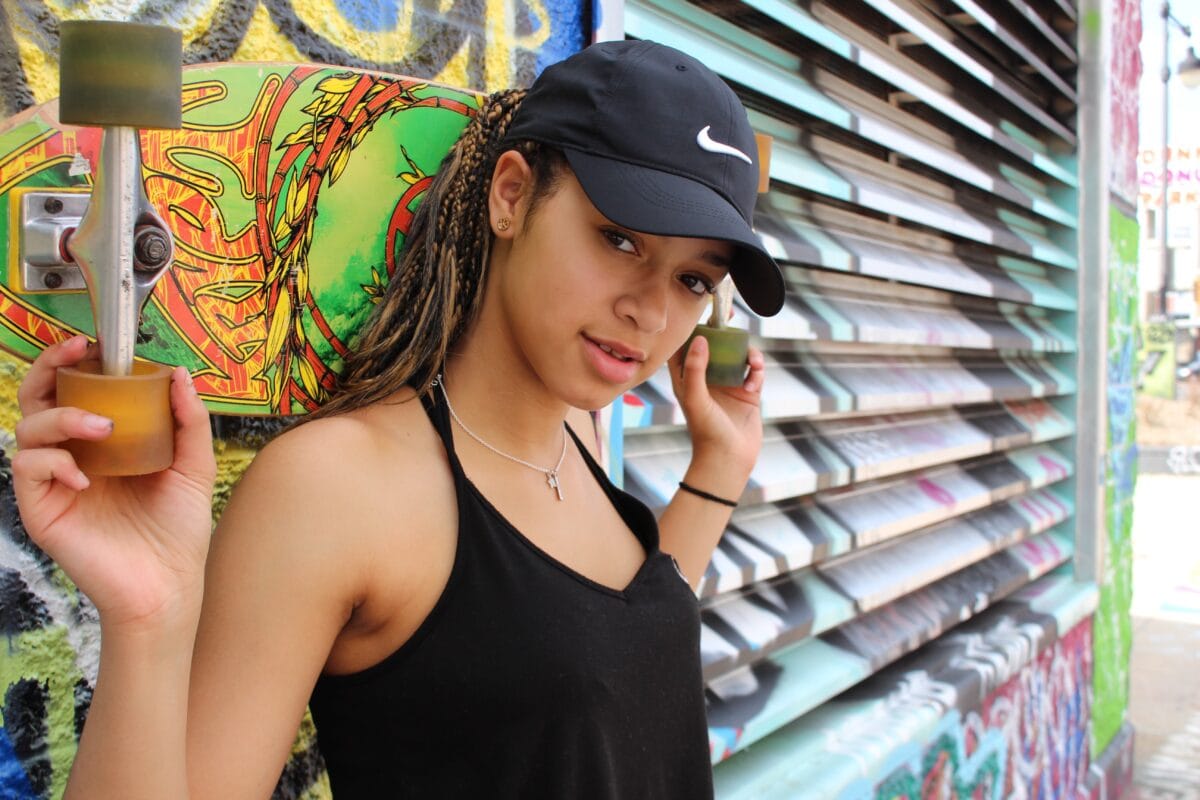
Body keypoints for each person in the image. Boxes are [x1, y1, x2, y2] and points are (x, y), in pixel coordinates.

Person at [11, 39, 784, 799]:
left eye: (691, 279)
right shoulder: (340, 486)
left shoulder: (571, 434)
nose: (649, 311)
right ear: (511, 194)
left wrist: (719, 466)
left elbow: (614, 655)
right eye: (619, 239)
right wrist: (147, 617)